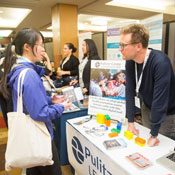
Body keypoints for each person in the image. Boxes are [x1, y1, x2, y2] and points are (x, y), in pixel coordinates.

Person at [0, 28, 71, 175]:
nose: (43, 50)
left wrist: (49, 99)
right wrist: (60, 107)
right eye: (41, 45)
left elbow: (28, 100)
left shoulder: (16, 69)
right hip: (39, 138)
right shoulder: (29, 74)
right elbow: (40, 113)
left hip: (28, 139)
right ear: (27, 47)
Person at [119, 23, 175, 147]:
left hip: (165, 113)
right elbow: (129, 91)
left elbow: (160, 101)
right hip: (147, 107)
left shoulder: (160, 62)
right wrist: (131, 121)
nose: (120, 49)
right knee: (144, 144)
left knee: (158, 148)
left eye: (123, 45)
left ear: (138, 46)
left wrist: (154, 134)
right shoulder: (130, 61)